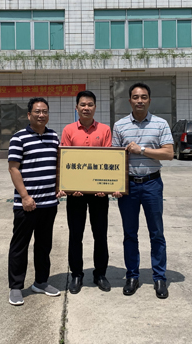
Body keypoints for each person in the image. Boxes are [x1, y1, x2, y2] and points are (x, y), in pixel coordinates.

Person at [112, 82, 174, 299]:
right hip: (128, 187)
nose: (140, 101)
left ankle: (159, 277)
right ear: (129, 100)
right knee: (130, 234)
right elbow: (115, 158)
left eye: (144, 97)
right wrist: (116, 185)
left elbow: (168, 153)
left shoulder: (160, 124)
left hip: (151, 184)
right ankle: (132, 276)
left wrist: (142, 150)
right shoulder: (119, 126)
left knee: (156, 233)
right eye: (136, 97)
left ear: (149, 100)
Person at [7, 97, 61, 306]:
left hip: (49, 203)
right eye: (37, 111)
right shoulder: (19, 138)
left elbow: (58, 166)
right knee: (20, 245)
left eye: (45, 111)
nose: (41, 115)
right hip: (26, 204)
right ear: (29, 115)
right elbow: (13, 169)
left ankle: (41, 282)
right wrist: (25, 197)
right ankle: (16, 287)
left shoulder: (54, 136)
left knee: (44, 245)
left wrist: (60, 186)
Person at [58, 91, 112, 294]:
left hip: (99, 193)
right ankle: (76, 274)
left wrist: (105, 187)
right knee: (75, 235)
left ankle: (100, 274)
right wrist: (71, 186)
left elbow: (109, 159)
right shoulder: (69, 130)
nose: (86, 108)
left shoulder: (105, 129)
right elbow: (65, 160)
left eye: (90, 104)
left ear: (95, 107)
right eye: (82, 104)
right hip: (76, 194)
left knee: (100, 235)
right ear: (77, 108)